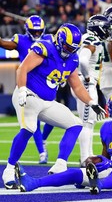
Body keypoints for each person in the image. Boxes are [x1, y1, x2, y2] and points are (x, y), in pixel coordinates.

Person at [2, 23, 106, 190]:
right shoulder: (46, 48)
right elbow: (22, 69)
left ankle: (60, 164)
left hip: (47, 102)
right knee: (29, 128)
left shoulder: (72, 58)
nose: (69, 50)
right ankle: (8, 169)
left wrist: (92, 102)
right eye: (66, 46)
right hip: (28, 95)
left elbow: (77, 86)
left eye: (73, 48)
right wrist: (21, 89)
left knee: (76, 124)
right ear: (59, 40)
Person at [14, 91, 112, 195]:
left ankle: (99, 185)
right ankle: (33, 183)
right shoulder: (105, 127)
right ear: (109, 108)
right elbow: (104, 158)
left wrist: (111, 163)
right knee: (74, 173)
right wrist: (96, 163)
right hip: (111, 170)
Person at [0, 15, 52, 164]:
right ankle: (42, 152)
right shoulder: (21, 39)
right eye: (34, 31)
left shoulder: (49, 38)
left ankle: (42, 140)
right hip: (29, 83)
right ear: (27, 30)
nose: (37, 34)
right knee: (33, 119)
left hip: (47, 81)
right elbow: (5, 44)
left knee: (54, 118)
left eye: (39, 31)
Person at [76, 14, 112, 167]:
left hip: (85, 84)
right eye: (106, 28)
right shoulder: (92, 39)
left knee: (89, 123)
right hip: (86, 85)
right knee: (87, 123)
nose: (108, 30)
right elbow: (83, 59)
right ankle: (85, 158)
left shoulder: (87, 37)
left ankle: (88, 155)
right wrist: (87, 77)